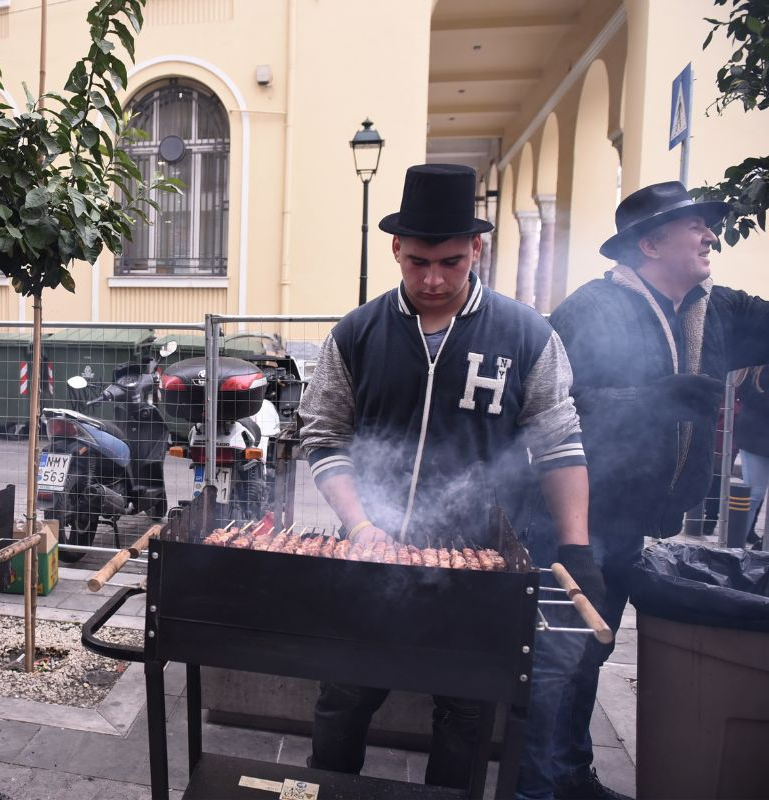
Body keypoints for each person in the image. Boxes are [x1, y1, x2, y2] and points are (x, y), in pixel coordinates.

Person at [297, 164, 603, 796]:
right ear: (395, 251)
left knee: (466, 714)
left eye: (451, 262)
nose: (433, 279)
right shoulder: (356, 333)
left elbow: (559, 444)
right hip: (372, 551)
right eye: (417, 263)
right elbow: (323, 436)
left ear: (477, 251)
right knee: (344, 697)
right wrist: (360, 524)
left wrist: (577, 547)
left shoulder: (525, 334)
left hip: (479, 559)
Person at [548, 181, 769, 799]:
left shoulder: (718, 308)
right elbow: (555, 409)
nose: (710, 235)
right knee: (576, 652)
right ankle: (559, 776)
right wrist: (654, 398)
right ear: (649, 243)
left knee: (596, 643)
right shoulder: (590, 310)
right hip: (583, 513)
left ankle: (559, 770)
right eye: (695, 225)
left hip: (645, 513)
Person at [736, 366, 769, 549]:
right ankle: (736, 549)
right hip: (755, 437)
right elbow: (746, 394)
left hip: (755, 434)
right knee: (754, 494)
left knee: (754, 494)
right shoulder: (755, 363)